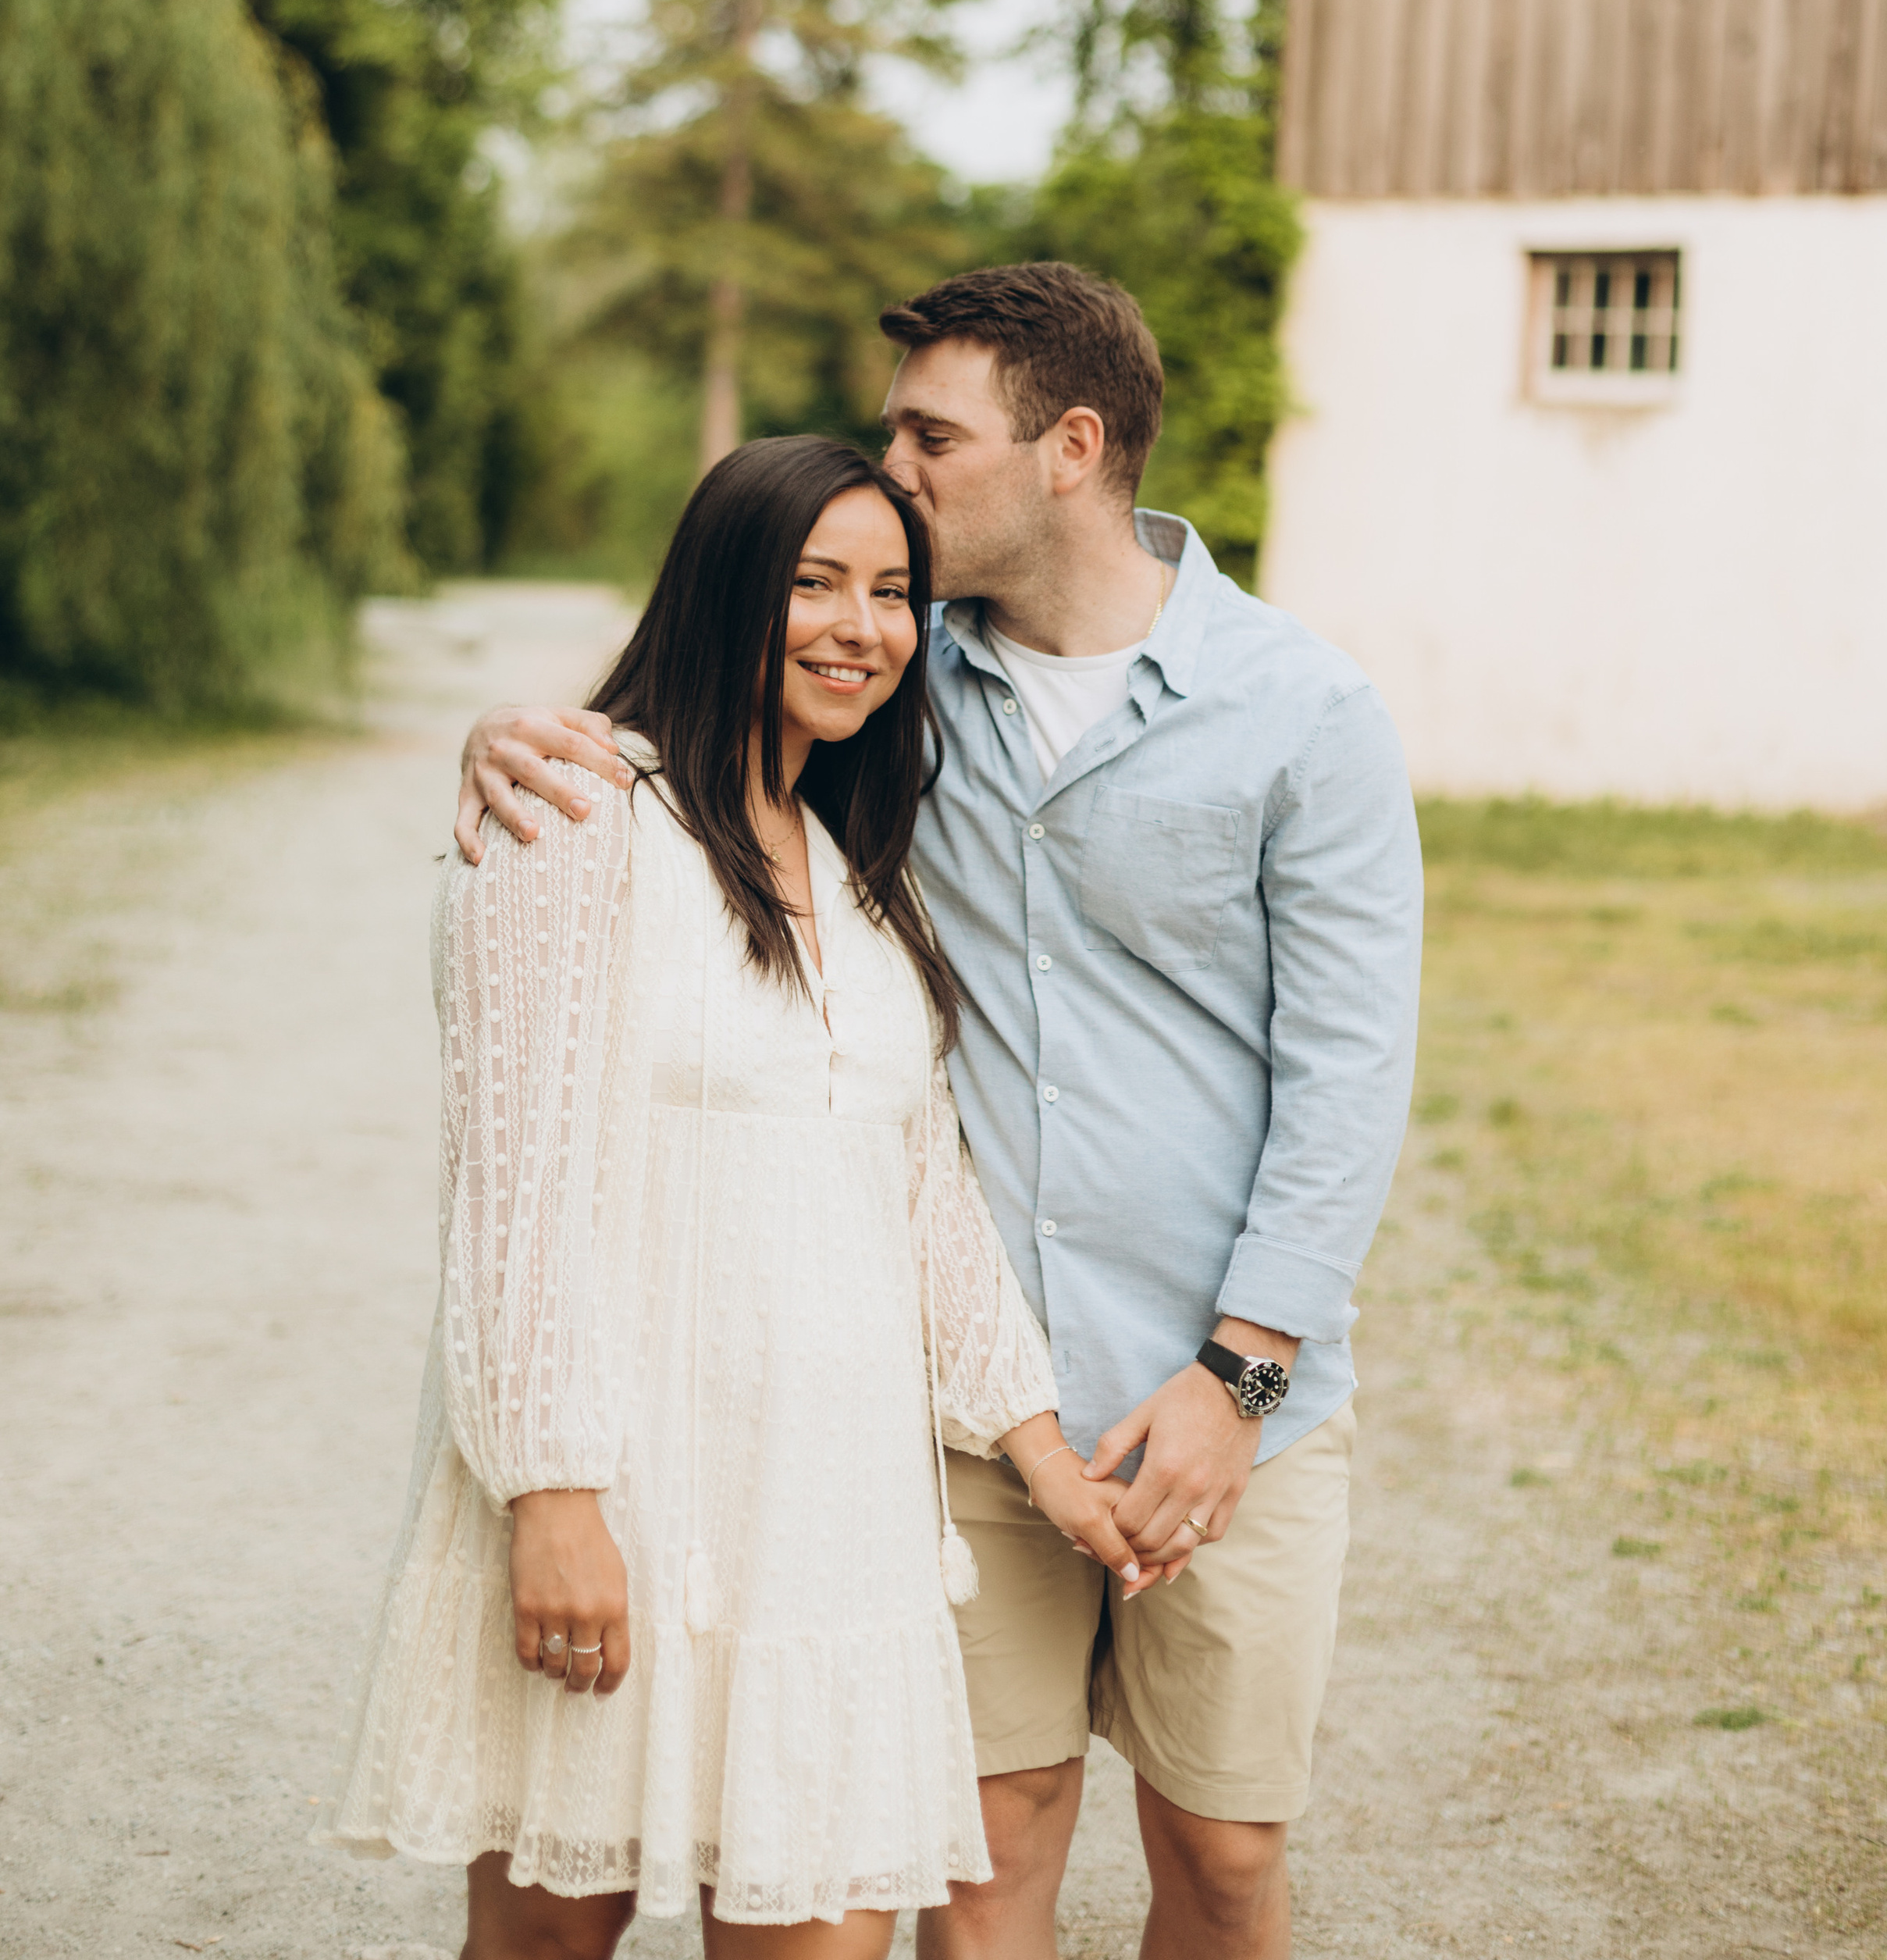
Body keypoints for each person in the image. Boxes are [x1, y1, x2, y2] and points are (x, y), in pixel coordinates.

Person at [457, 265, 1425, 1960]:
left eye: (928, 435)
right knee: (980, 1855)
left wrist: (1240, 1376)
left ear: (1066, 445)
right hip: (957, 1404)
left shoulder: (1305, 714)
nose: (892, 471)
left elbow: (1347, 1077)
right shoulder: (899, 685)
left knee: (1221, 1851)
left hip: (1222, 1390)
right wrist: (506, 742)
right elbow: (693, 721)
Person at [324, 433, 1154, 1960]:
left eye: (894, 593)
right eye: (815, 583)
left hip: (833, 1517)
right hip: (625, 1485)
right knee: (543, 1940)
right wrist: (549, 1495)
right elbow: (514, 1187)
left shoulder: (851, 861)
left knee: (819, 1933)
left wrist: (1044, 1454)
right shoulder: (572, 821)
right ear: (722, 593)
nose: (863, 626)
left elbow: (918, 1193)